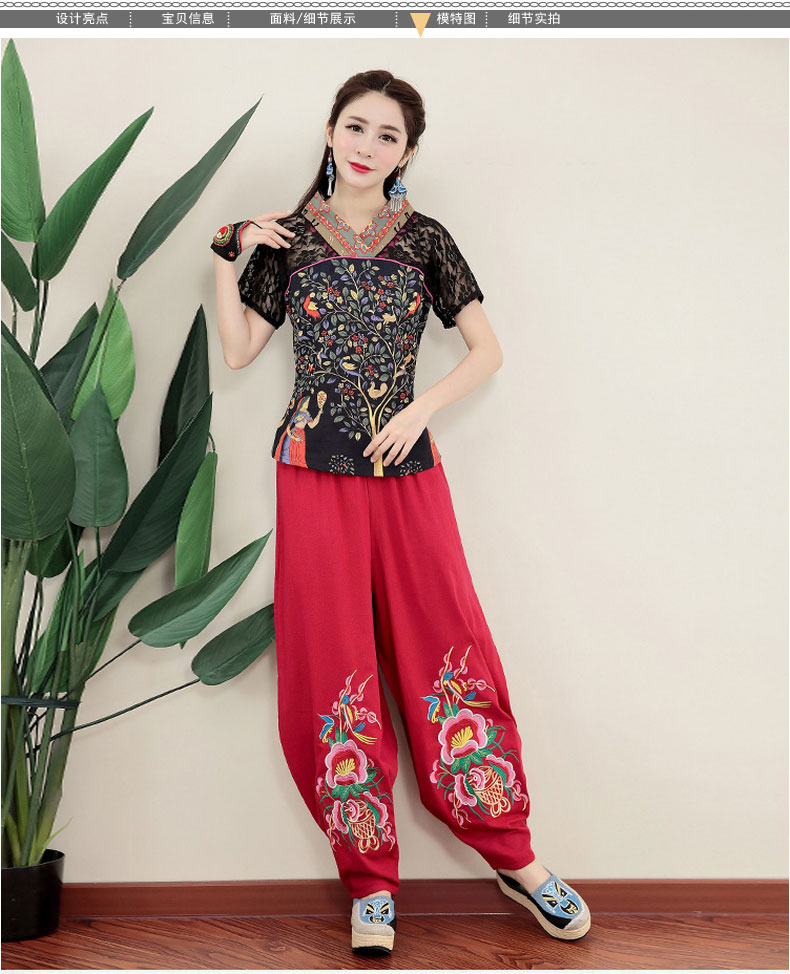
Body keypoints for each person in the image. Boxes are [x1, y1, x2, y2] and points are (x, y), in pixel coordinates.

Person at [211, 69, 591, 956]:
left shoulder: (426, 239)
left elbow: (486, 351)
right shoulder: (290, 240)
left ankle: (514, 854)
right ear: (330, 131)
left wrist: (422, 409)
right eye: (356, 126)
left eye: (388, 135)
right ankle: (371, 883)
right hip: (312, 470)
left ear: (407, 152)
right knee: (332, 662)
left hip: (407, 469)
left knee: (445, 646)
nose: (367, 145)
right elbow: (238, 352)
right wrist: (228, 258)